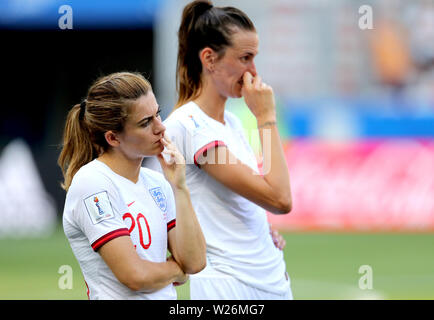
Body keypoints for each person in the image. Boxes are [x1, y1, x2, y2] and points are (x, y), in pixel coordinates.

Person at [163, 0, 293, 299]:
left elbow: (254, 196)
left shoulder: (230, 123)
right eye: (245, 58)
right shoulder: (190, 125)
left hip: (266, 282)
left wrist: (259, 230)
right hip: (229, 287)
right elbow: (280, 198)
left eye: (254, 58)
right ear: (209, 59)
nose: (253, 70)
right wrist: (266, 118)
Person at [58, 72, 206, 300]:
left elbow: (195, 262)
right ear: (113, 138)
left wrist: (180, 186)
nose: (161, 128)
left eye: (157, 114)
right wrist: (177, 270)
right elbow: (135, 276)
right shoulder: (93, 184)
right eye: (146, 123)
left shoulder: (157, 182)